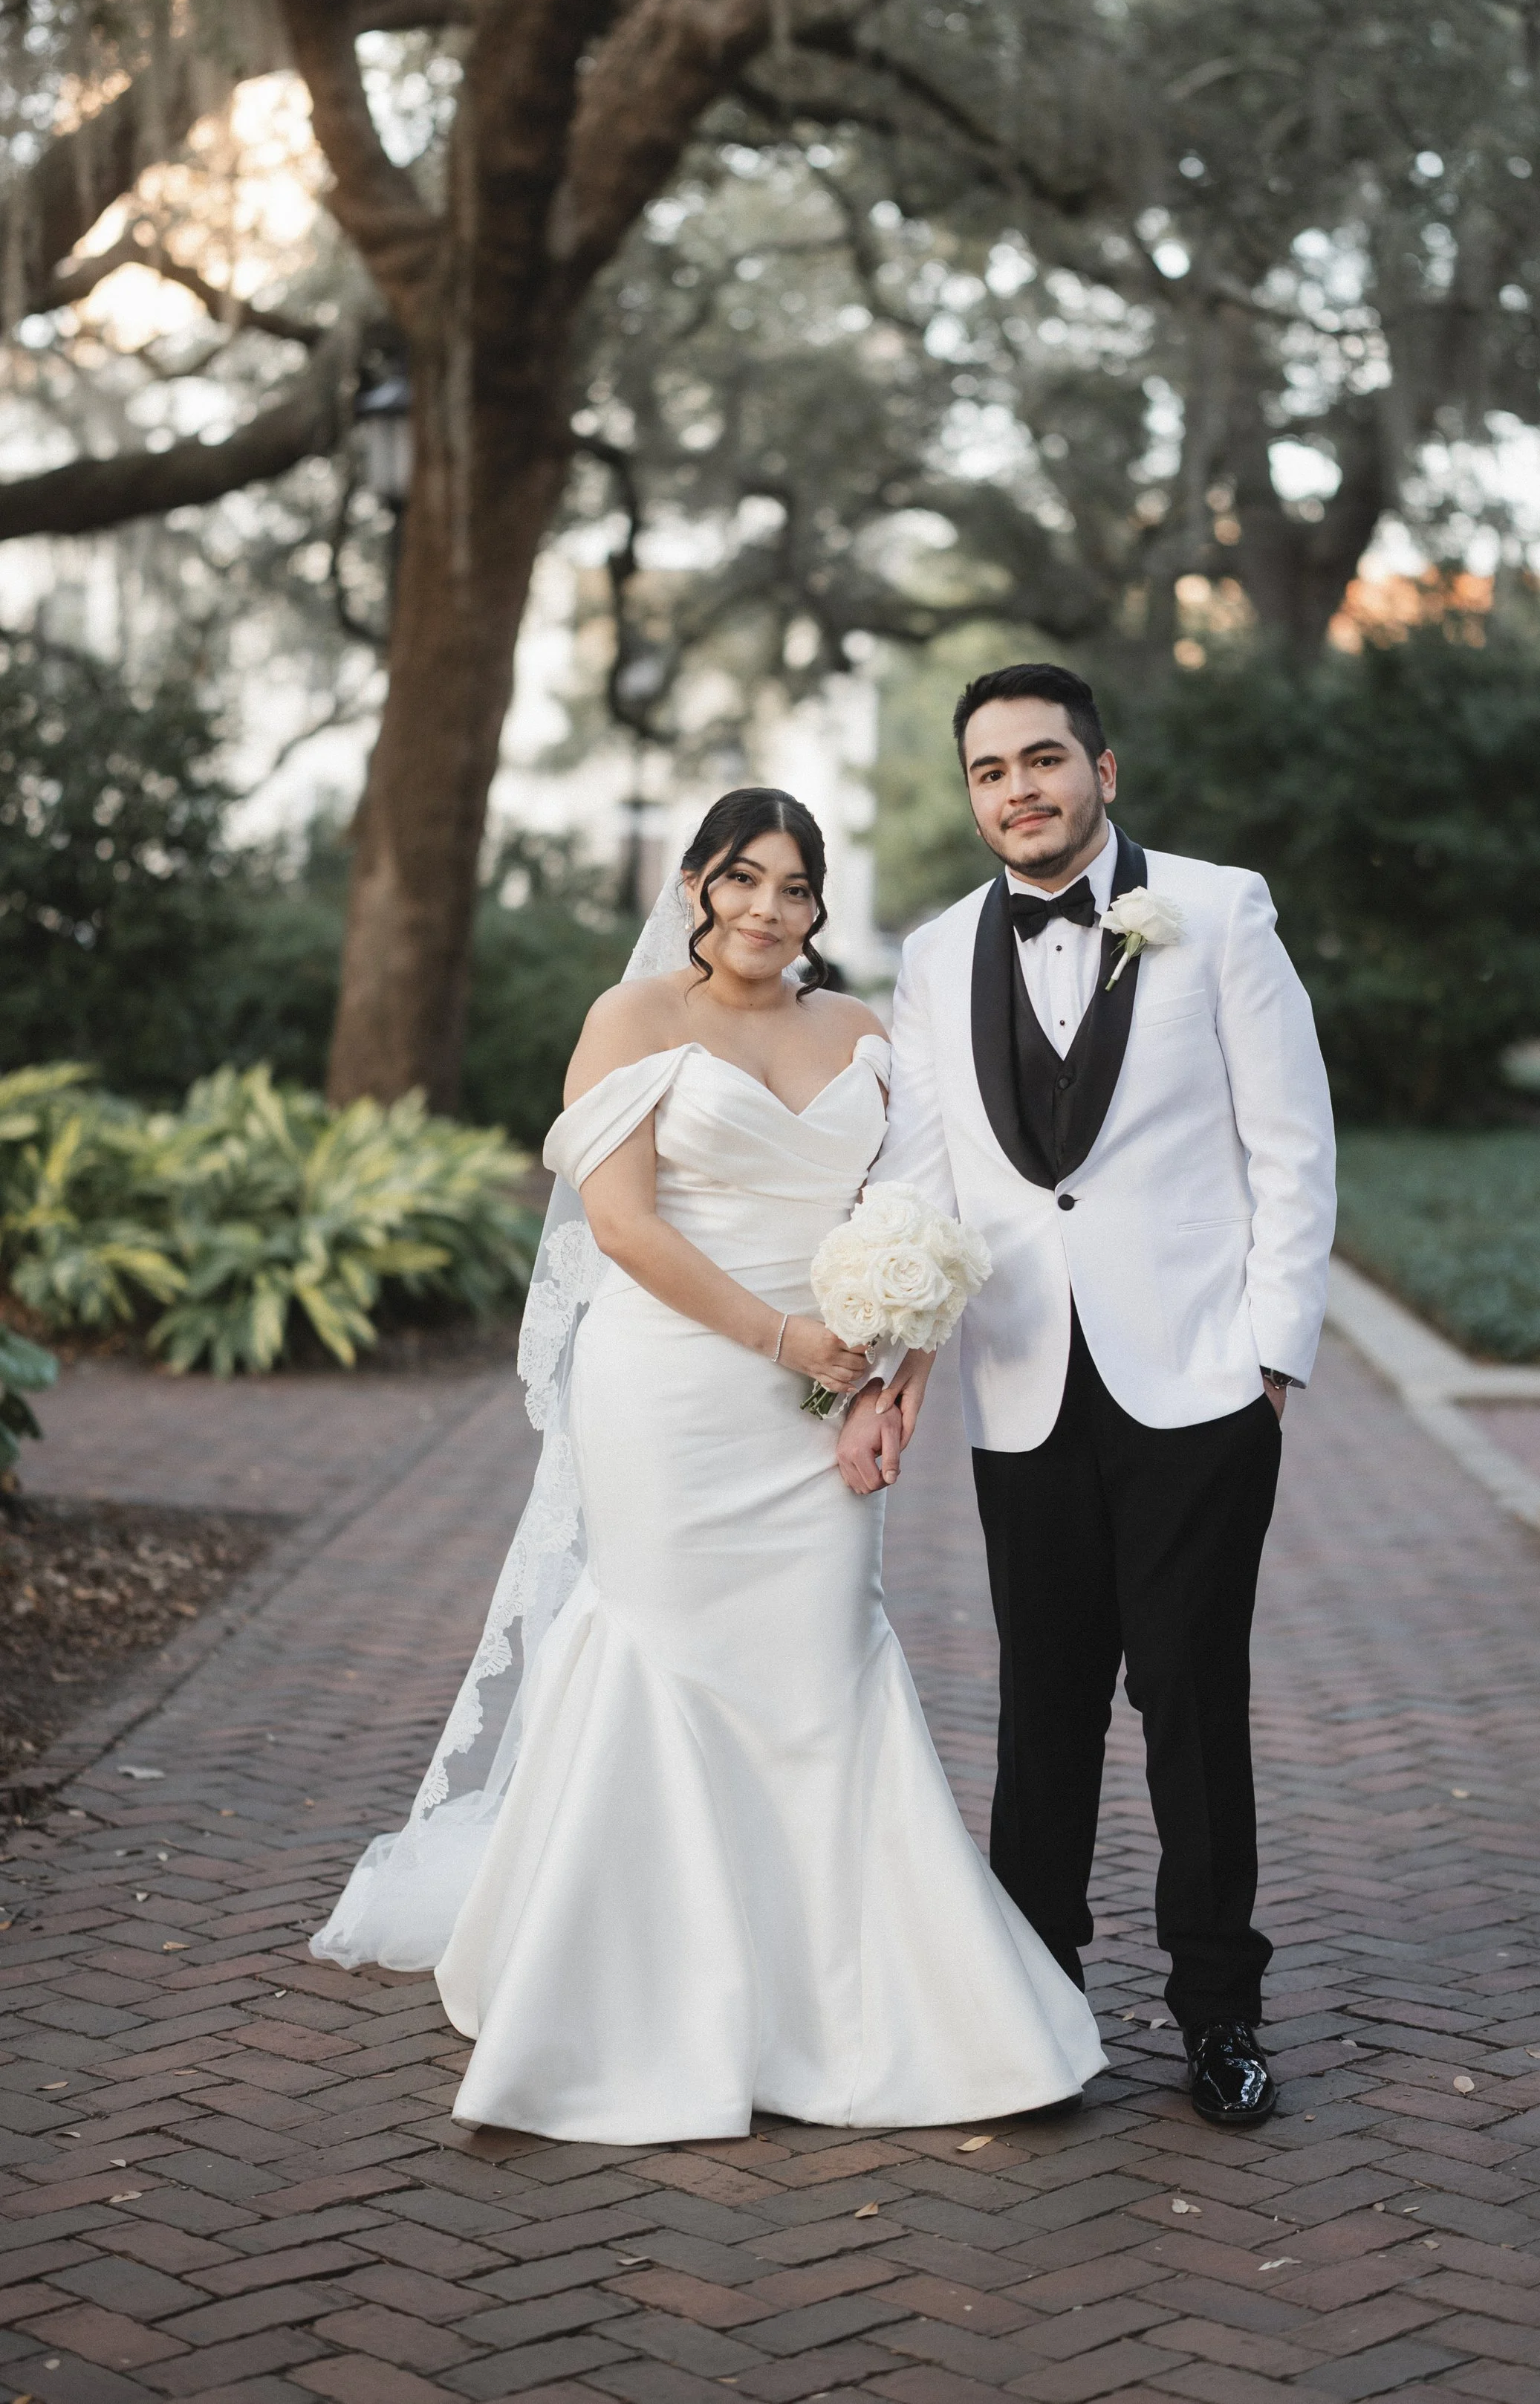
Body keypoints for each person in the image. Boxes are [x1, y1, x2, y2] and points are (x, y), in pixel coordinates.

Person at [311, 786, 1102, 2142]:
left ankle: (854, 2008)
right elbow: (621, 1225)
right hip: (675, 1392)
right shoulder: (633, 1024)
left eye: (796, 889)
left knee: (819, 1668)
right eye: (742, 880)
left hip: (821, 1409)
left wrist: (890, 1381)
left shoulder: (862, 1033)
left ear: (817, 908)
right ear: (693, 886)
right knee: (668, 1657)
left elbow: (928, 1219)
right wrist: (787, 1335)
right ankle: (632, 1997)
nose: (767, 910)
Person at [838, 666, 1335, 2130]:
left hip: (1195, 1381)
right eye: (989, 771)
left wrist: (1270, 1355)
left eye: (1041, 760)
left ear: (1100, 772)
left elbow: (1290, 1144)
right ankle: (1030, 2005)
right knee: (1041, 1710)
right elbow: (925, 1182)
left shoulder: (1219, 909)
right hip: (1019, 1382)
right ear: (972, 794)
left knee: (1190, 1705)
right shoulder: (932, 954)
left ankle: (1217, 2016)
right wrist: (891, 1369)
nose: (1017, 790)